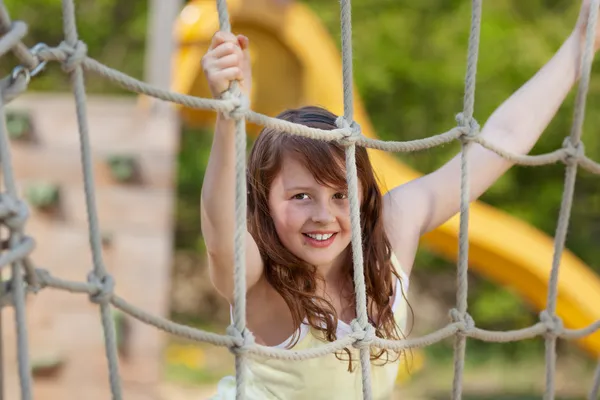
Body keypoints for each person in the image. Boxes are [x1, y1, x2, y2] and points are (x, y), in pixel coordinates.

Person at [199, 2, 600, 399]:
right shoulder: (258, 281)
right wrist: (231, 117)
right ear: (264, 201)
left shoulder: (388, 236)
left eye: (341, 194)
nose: (324, 215)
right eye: (301, 196)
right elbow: (222, 227)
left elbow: (504, 139)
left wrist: (581, 44)